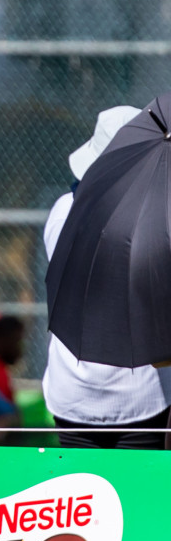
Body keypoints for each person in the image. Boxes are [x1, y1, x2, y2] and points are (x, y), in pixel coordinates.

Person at [44, 106, 171, 449]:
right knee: (139, 499)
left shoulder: (63, 211)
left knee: (82, 497)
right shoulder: (160, 222)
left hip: (72, 393)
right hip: (143, 396)